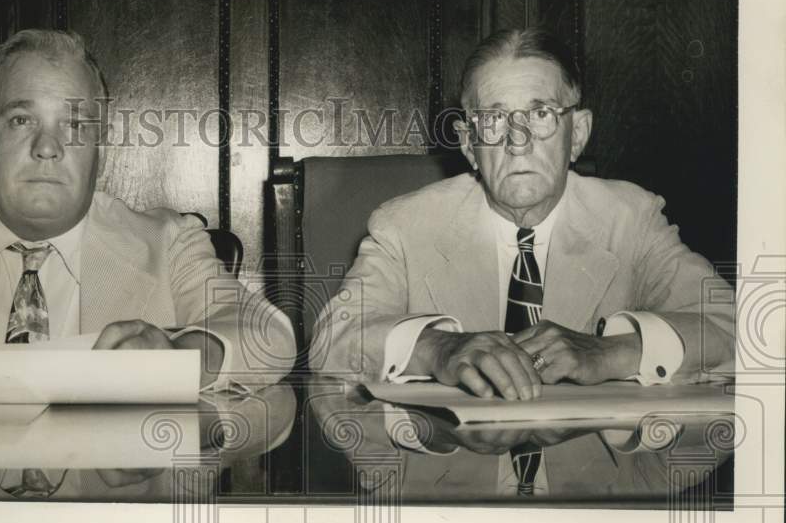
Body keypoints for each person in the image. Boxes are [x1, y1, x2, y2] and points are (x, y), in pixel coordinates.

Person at [0, 28, 296, 393]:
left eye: (74, 124)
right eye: (22, 120)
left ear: (101, 151)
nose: (47, 147)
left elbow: (268, 336)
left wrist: (184, 357)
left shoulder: (168, 244)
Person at [311, 27, 735, 402]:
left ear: (578, 134)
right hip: (450, 477)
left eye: (541, 114)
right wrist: (438, 349)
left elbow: (736, 329)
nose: (518, 141)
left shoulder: (631, 220)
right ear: (468, 144)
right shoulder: (405, 226)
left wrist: (610, 353)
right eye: (494, 118)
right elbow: (333, 339)